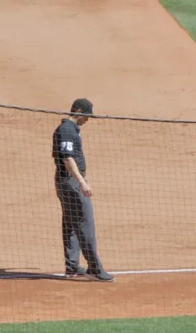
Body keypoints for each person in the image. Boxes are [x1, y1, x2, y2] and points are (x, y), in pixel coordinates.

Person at [55, 97, 114, 281]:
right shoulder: (66, 130)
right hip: (71, 183)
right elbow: (67, 158)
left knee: (71, 224)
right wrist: (81, 182)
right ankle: (95, 269)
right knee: (85, 224)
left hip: (68, 181)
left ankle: (72, 267)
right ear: (79, 112)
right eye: (86, 116)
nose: (87, 119)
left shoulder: (71, 129)